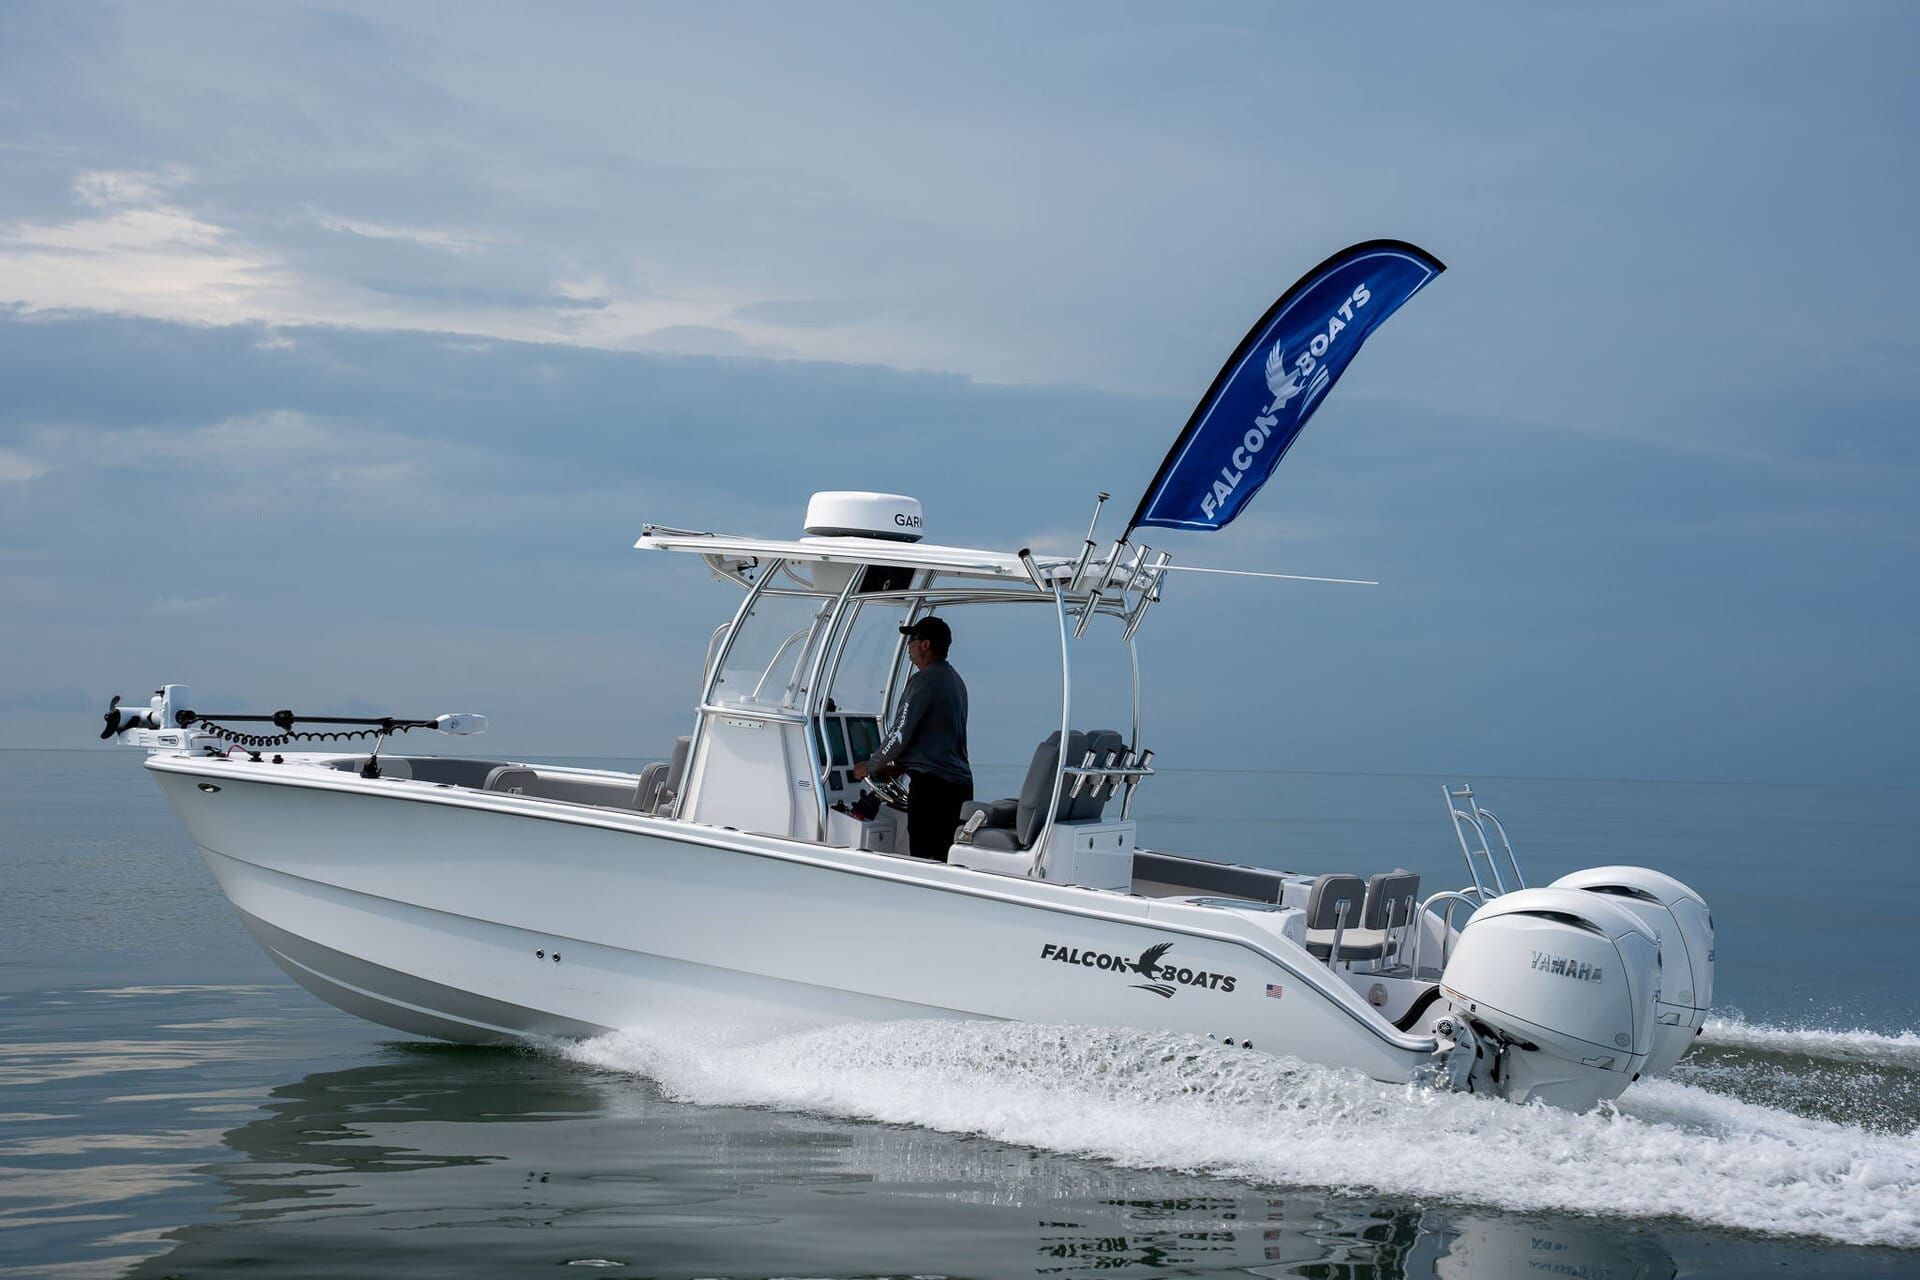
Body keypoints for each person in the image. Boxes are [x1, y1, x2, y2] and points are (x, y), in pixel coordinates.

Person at [852, 615, 972, 862]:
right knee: (942, 859)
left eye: (912, 640)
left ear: (925, 644)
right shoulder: (955, 681)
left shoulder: (923, 681)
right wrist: (897, 768)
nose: (908, 647)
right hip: (958, 788)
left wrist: (870, 766)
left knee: (924, 859)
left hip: (933, 791)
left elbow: (899, 733)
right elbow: (937, 739)